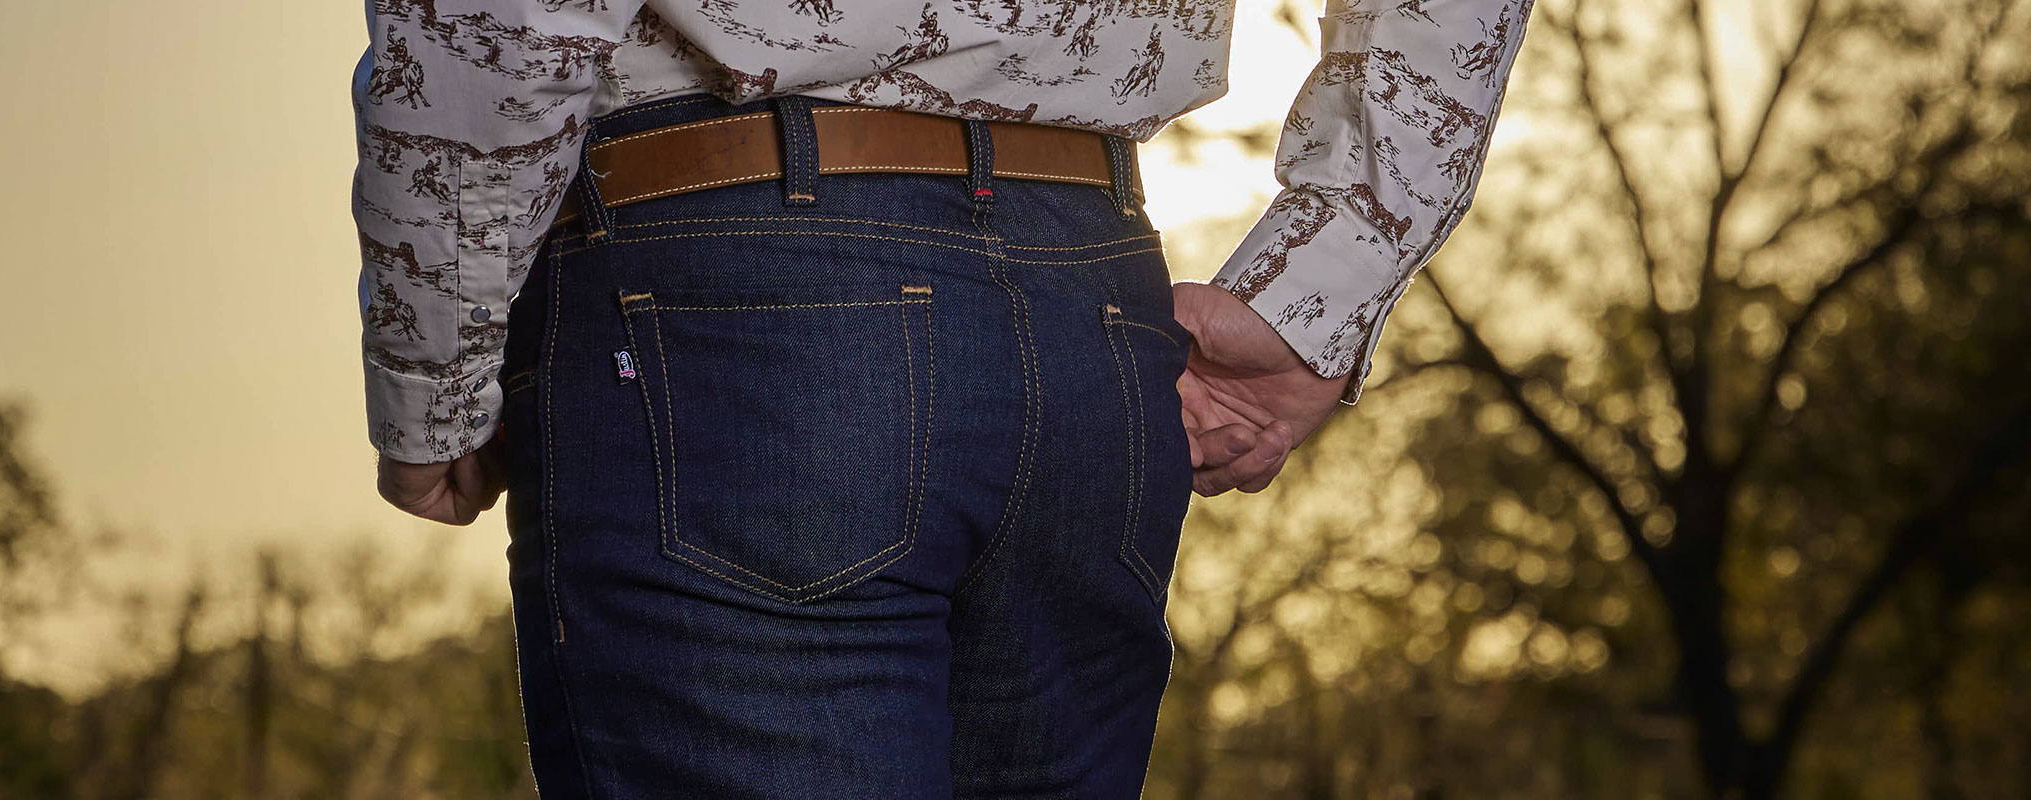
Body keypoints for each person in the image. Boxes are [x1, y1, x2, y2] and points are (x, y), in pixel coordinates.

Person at [353, 0, 1530, 796]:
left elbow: (498, 25)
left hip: (738, 304)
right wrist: (1317, 286)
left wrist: (433, 370)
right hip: (1088, 307)